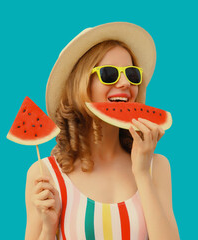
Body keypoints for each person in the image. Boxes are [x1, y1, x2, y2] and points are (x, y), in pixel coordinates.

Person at [25, 22, 179, 240]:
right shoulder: (45, 174)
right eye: (109, 74)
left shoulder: (157, 167)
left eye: (132, 74)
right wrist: (49, 228)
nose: (126, 83)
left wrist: (142, 172)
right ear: (80, 85)